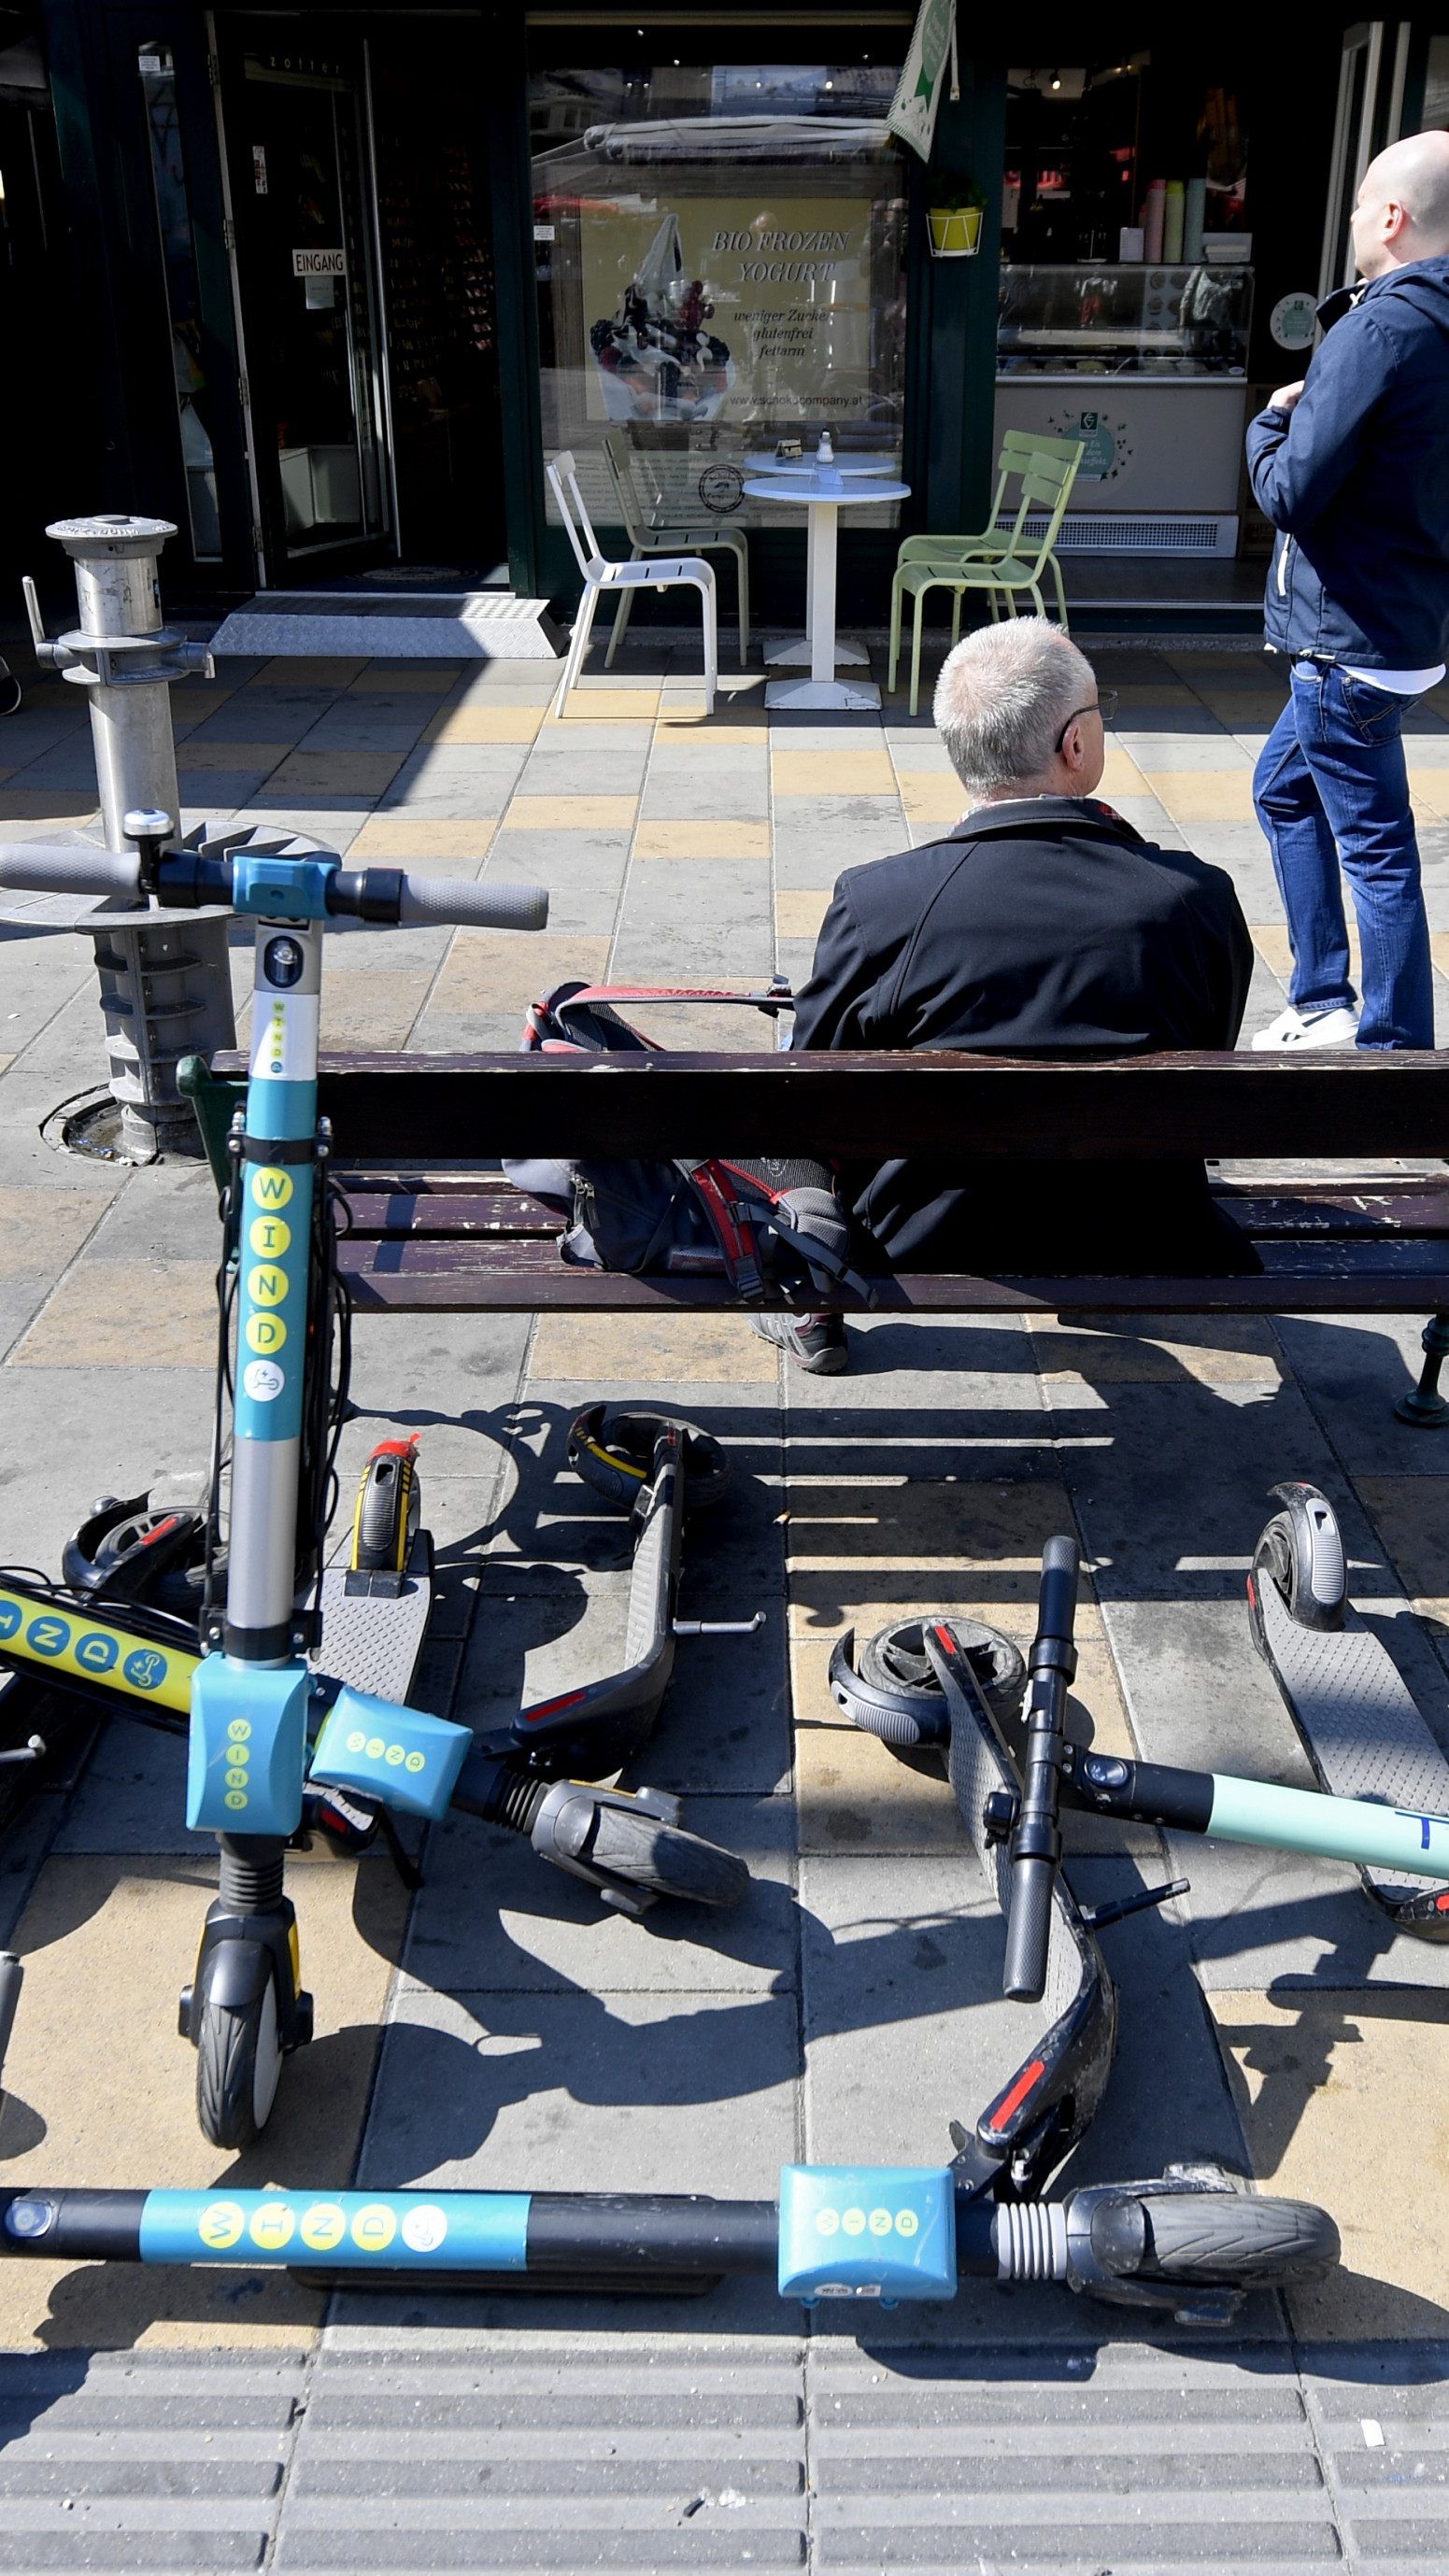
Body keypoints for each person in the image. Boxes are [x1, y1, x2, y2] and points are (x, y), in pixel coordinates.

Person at [756, 617, 1255, 1375]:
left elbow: (815, 1095)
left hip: (929, 1234)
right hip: (1148, 1227)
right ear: (1074, 745)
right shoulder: (1195, 897)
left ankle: (806, 1298)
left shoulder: (878, 901)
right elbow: (1208, 1056)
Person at [1246, 127, 1449, 1054]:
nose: (1356, 216)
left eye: (1365, 200)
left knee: (1377, 849)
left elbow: (1290, 492)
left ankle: (1395, 1051)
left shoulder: (1379, 328)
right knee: (1284, 789)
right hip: (1405, 625)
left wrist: (1270, 422)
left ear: (1395, 218)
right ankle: (1323, 990)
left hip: (1348, 639)